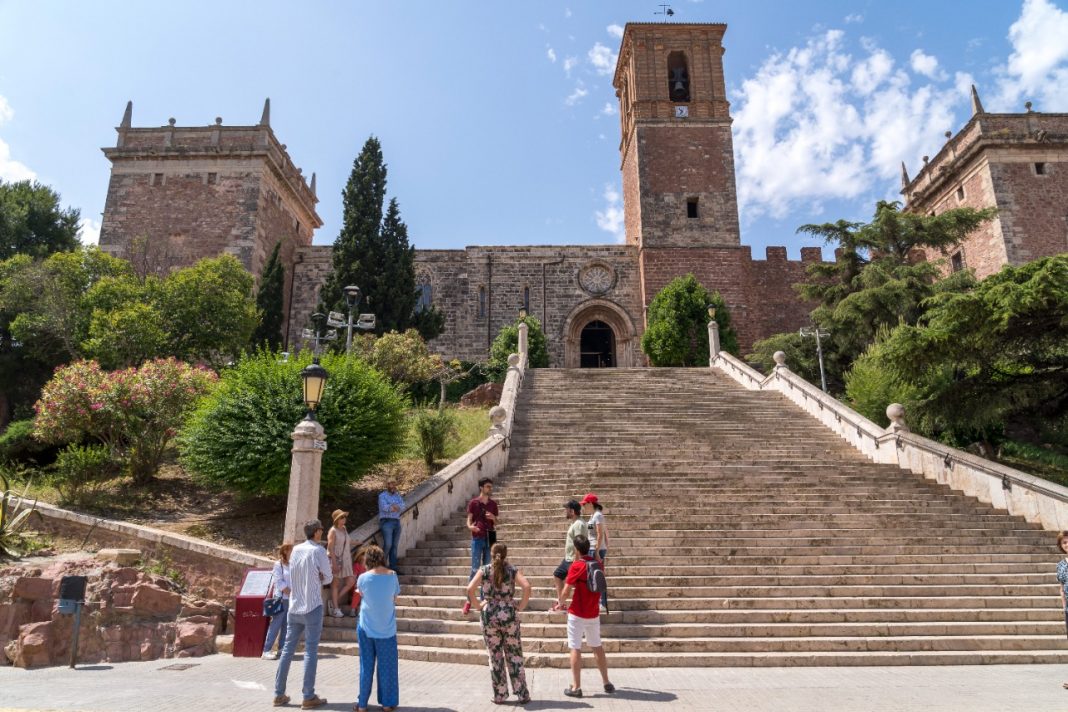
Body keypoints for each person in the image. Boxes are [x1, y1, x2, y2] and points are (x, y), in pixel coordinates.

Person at [273, 519, 332, 709]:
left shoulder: (296, 550)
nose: (322, 532)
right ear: (316, 532)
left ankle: (279, 693)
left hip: (294, 605)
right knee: (310, 651)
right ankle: (308, 695)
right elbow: (328, 576)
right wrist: (321, 577)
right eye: (321, 529)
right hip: (312, 604)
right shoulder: (319, 551)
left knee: (288, 650)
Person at [466, 542, 531, 705]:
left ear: (491, 553)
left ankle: (500, 695)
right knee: (515, 654)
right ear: (505, 555)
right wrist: (520, 606)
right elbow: (527, 587)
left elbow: (470, 588)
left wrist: (478, 605)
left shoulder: (485, 570)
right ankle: (522, 694)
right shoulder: (512, 570)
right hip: (509, 613)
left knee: (495, 656)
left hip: (490, 615)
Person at [552, 534, 614, 698]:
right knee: (597, 647)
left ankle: (576, 687)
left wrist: (559, 603)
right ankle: (607, 682)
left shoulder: (577, 566)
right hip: (593, 613)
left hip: (577, 613)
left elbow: (566, 591)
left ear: (577, 549)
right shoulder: (599, 565)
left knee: (575, 647)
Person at [355, 544, 401, 712]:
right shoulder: (392, 576)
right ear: (382, 558)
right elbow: (394, 597)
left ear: (367, 560)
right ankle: (388, 704)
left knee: (365, 666)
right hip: (386, 628)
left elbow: (362, 595)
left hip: (366, 626)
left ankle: (362, 705)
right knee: (387, 667)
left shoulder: (363, 578)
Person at [462, 477, 499, 615]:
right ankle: (469, 601)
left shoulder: (493, 504)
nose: (490, 489)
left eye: (491, 486)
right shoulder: (473, 503)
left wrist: (493, 518)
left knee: (488, 570)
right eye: (488, 486)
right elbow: (469, 520)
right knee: (474, 569)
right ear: (481, 487)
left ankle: (484, 601)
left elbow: (496, 522)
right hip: (477, 537)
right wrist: (470, 527)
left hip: (490, 537)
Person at [262, 542, 293, 660]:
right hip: (280, 599)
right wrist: (290, 593)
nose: (293, 552)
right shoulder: (278, 565)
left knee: (286, 625)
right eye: (291, 550)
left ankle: (281, 649)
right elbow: (279, 582)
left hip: (290, 599)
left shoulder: (292, 564)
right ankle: (266, 650)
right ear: (285, 551)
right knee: (275, 625)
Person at [552, 500, 586, 599]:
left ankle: (563, 603)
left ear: (572, 511)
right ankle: (561, 603)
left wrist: (576, 560)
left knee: (574, 583)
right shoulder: (575, 523)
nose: (565, 511)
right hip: (568, 558)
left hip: (573, 559)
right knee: (558, 575)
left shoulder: (579, 524)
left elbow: (579, 543)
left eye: (567, 509)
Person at [581, 493, 609, 611]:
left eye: (585, 504)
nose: (583, 507)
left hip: (596, 550)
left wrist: (598, 550)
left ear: (590, 503)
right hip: (592, 548)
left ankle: (602, 603)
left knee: (598, 576)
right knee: (593, 576)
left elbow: (600, 534)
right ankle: (597, 601)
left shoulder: (597, 515)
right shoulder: (593, 516)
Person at [327, 509, 355, 618]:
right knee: (335, 584)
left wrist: (357, 542)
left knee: (351, 580)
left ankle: (334, 602)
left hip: (346, 560)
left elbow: (346, 541)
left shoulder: (344, 529)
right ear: (337, 519)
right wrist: (334, 563)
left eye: (344, 517)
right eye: (342, 517)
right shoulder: (333, 530)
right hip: (336, 559)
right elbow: (330, 547)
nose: (344, 519)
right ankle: (335, 608)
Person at [378, 480, 404, 572]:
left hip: (397, 522)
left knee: (394, 546)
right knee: (388, 544)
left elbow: (403, 506)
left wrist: (393, 506)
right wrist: (395, 507)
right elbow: (385, 508)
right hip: (386, 522)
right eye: (391, 484)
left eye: (395, 484)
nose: (393, 486)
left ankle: (393, 567)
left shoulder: (398, 496)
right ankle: (381, 566)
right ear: (387, 485)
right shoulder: (382, 496)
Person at [1057, 532, 1068, 689]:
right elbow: (1061, 588)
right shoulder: (1060, 565)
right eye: (1064, 542)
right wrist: (1064, 606)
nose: (1067, 544)